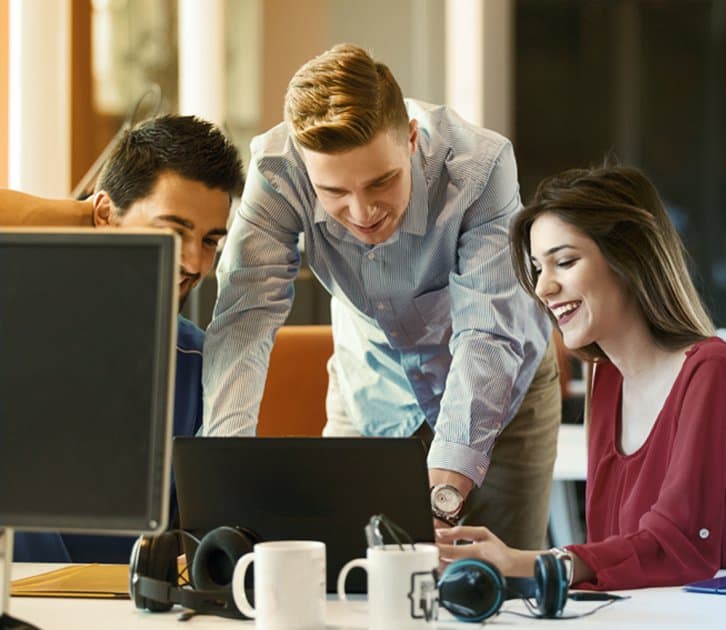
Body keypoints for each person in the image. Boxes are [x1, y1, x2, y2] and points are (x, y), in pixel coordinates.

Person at [201, 43, 559, 550]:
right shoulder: (278, 170)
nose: (363, 211)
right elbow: (245, 321)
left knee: (496, 584)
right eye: (334, 193)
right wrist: (225, 475)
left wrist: (445, 490)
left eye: (381, 181)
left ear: (411, 138)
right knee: (347, 574)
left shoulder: (481, 167)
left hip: (502, 391)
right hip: (370, 385)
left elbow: (489, 335)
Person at [437, 165, 726, 590]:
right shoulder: (606, 378)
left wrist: (528, 563)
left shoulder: (713, 371)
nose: (543, 288)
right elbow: (613, 552)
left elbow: (678, 546)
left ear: (628, 259)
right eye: (537, 268)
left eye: (564, 262)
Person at [1, 114, 245, 562]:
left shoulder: (199, 364)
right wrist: (74, 216)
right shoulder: (19, 335)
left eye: (211, 240)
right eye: (173, 231)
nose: (195, 262)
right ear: (104, 216)